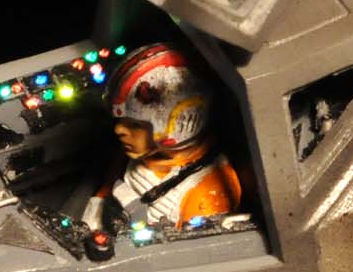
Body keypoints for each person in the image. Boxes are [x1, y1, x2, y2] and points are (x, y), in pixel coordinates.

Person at [81, 43, 241, 231]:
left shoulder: (207, 192)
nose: (119, 129)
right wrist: (98, 201)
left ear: (180, 123)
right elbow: (114, 176)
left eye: (135, 124)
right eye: (121, 121)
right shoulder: (143, 152)